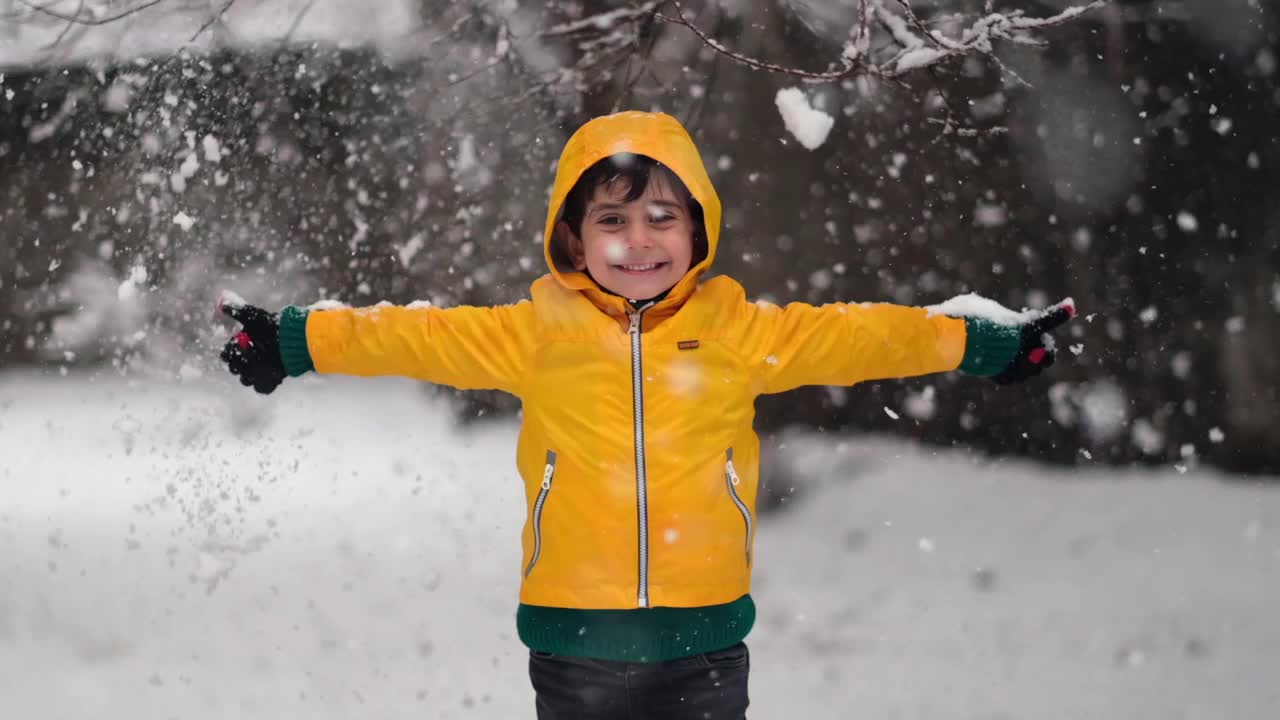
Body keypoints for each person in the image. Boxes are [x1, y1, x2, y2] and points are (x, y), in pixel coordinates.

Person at [217, 110, 1075, 719]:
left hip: (705, 640)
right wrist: (296, 340)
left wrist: (979, 344)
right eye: (613, 220)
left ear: (698, 233)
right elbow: (414, 336)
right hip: (576, 642)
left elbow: (862, 337)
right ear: (573, 239)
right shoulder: (536, 333)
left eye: (662, 218)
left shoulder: (736, 331)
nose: (638, 240)